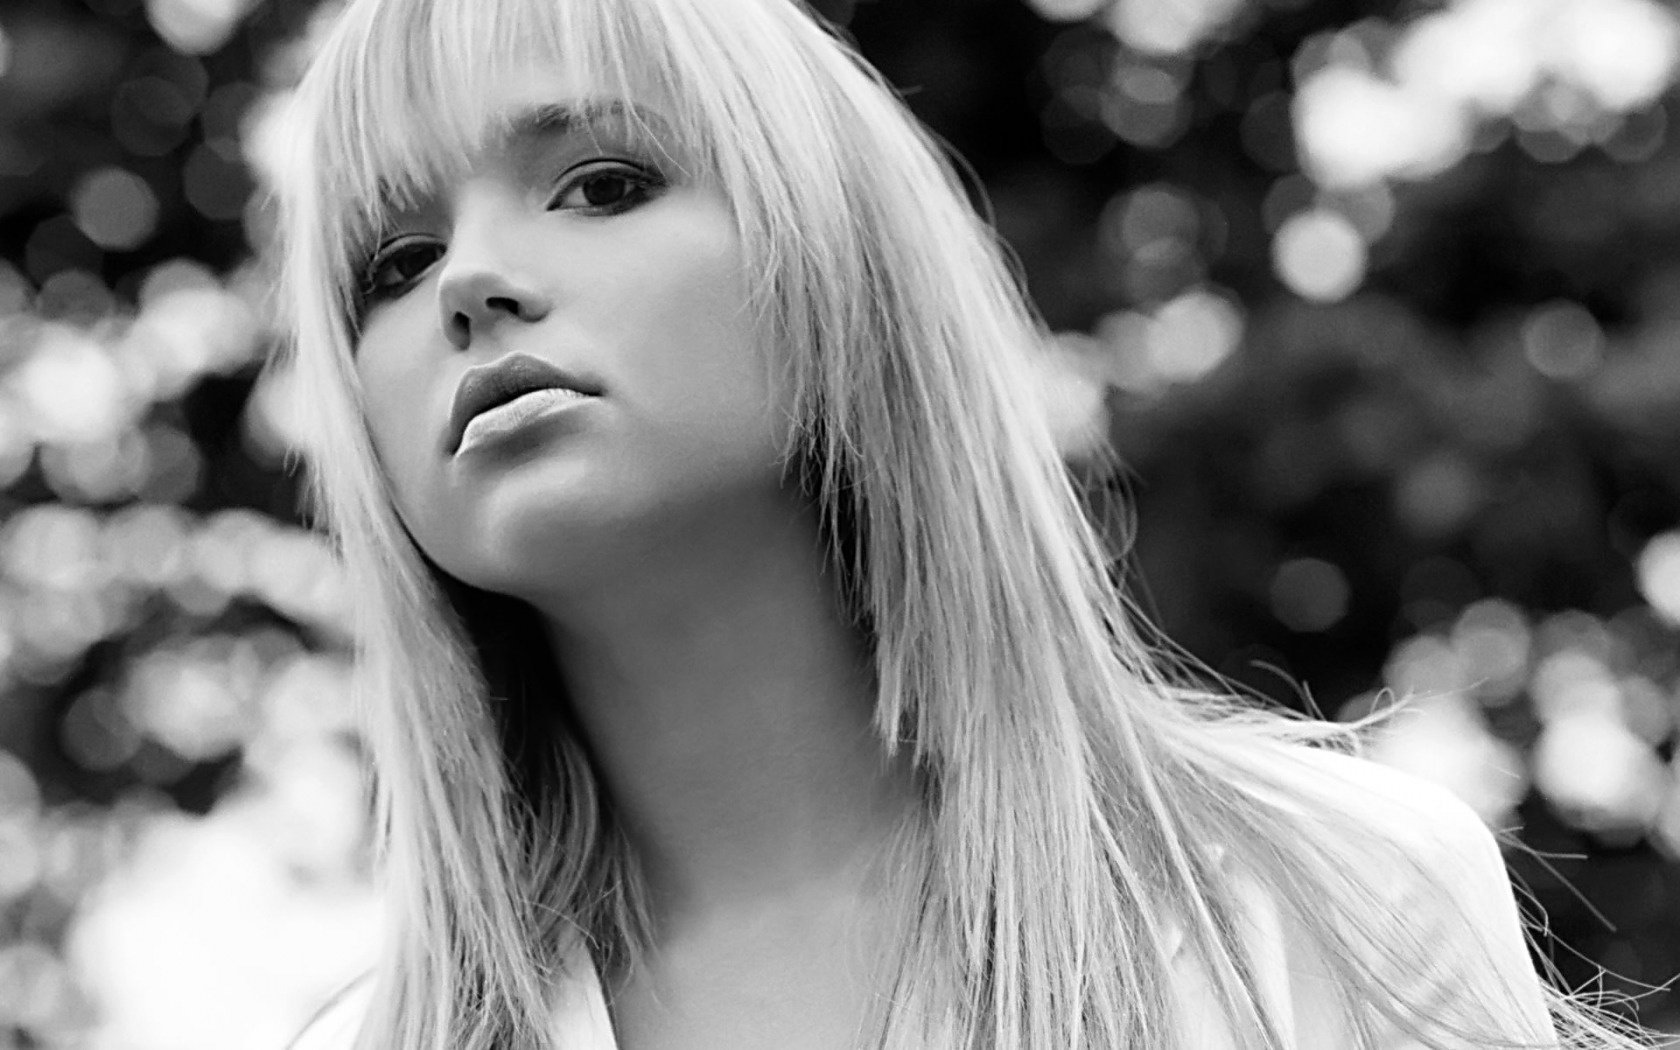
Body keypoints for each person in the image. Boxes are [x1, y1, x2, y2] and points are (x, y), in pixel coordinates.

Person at [270, 0, 1655, 1046]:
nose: (474, 281)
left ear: (838, 272)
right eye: (395, 262)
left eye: (604, 183)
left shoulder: (1326, 898)